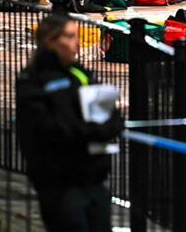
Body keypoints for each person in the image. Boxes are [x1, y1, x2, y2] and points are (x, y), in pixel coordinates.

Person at [16, 14, 123, 232]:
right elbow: (50, 129)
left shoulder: (80, 73)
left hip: (94, 177)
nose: (78, 44)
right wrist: (94, 131)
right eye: (71, 37)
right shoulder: (34, 80)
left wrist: (107, 127)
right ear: (51, 41)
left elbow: (110, 115)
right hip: (60, 181)